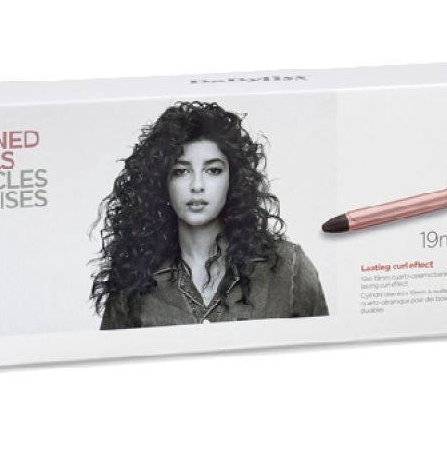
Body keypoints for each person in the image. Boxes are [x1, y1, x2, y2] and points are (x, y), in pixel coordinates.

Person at [92, 101, 328, 328]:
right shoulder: (134, 282)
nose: (197, 185)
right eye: (181, 171)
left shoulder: (289, 269)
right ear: (162, 182)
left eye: (213, 170)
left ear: (232, 180)